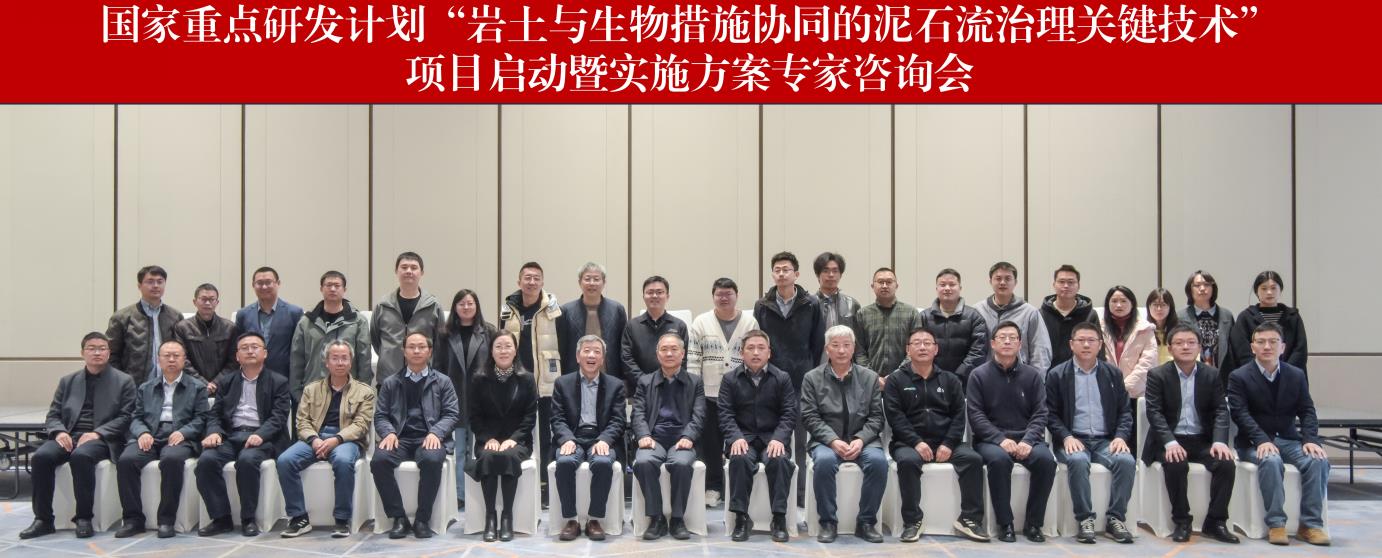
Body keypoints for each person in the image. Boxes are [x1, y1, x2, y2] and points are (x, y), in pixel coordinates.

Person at [21, 333, 136, 540]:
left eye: (102, 348)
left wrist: (97, 433)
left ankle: (84, 518)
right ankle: (43, 520)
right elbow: (53, 414)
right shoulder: (68, 381)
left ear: (109, 353)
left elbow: (126, 417)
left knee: (81, 456)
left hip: (102, 439)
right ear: (82, 352)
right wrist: (59, 431)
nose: (97, 352)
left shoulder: (124, 381)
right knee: (41, 457)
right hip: (69, 435)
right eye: (92, 348)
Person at [1227, 322, 1330, 546]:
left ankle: (1310, 525)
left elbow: (1307, 410)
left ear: (1282, 347)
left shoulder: (1296, 375)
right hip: (1252, 443)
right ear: (1252, 347)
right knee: (1271, 460)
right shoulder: (1239, 377)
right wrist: (1262, 440)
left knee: (1318, 460)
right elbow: (1240, 414)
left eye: (1273, 342)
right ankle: (1276, 524)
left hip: (1288, 439)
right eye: (1261, 342)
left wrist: (1311, 439)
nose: (1267, 346)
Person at [883, 327, 989, 543]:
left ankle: (970, 519)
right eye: (916, 343)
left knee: (973, 459)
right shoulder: (896, 380)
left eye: (927, 343)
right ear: (908, 350)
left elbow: (959, 416)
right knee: (907, 462)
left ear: (936, 349)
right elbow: (895, 417)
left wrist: (948, 443)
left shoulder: (950, 380)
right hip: (908, 443)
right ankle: (912, 521)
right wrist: (916, 442)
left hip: (946, 442)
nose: (922, 347)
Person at [1143, 325, 1239, 544]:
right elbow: (1154, 413)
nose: (1185, 347)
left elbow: (1220, 410)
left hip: (1201, 439)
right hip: (1170, 439)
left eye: (1191, 342)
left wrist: (1219, 441)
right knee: (1176, 463)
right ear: (1170, 348)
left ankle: (1215, 522)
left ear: (1199, 347)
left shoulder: (1211, 374)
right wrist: (1170, 442)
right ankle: (1182, 521)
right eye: (1179, 343)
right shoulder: (1158, 375)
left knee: (1226, 464)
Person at [1044, 322, 1136, 544]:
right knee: (1077, 461)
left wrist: (1120, 437)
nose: (1086, 345)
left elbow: (1125, 411)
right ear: (1071, 344)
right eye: (1081, 340)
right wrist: (1066, 436)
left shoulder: (1113, 374)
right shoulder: (1057, 375)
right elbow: (1050, 414)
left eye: (1091, 341)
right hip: (1073, 438)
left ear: (1100, 345)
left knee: (1126, 461)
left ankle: (1116, 518)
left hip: (1106, 440)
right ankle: (1085, 519)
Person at [967, 321, 1056, 543]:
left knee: (1046, 461)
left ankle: (1034, 524)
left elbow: (1040, 413)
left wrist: (1028, 440)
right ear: (992, 344)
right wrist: (1000, 439)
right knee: (999, 461)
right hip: (991, 441)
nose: (1007, 341)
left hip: (1027, 438)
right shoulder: (978, 375)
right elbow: (976, 415)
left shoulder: (1032, 375)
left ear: (1020, 344)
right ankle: (1005, 524)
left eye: (1012, 338)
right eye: (1002, 337)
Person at [196, 332, 292, 537]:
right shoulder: (227, 382)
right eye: (244, 348)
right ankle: (221, 518)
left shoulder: (279, 381)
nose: (250, 351)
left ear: (265, 353)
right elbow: (215, 414)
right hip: (231, 436)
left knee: (247, 461)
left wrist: (261, 434)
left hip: (263, 438)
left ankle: (248, 518)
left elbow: (279, 416)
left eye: (255, 347)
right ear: (237, 356)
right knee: (206, 461)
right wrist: (214, 432)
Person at [276, 340, 376, 538]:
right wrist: (314, 439)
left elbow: (361, 425)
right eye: (335, 358)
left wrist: (337, 439)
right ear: (326, 362)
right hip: (315, 437)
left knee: (343, 461)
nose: (340, 362)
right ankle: (299, 517)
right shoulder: (311, 389)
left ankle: (342, 519)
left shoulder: (365, 391)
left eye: (344, 358)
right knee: (285, 461)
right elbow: (302, 421)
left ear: (351, 362)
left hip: (346, 440)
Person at [800, 325, 886, 544]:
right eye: (835, 345)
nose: (841, 350)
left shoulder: (869, 377)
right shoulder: (812, 378)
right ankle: (828, 522)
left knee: (878, 462)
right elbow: (809, 416)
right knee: (825, 462)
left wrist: (861, 439)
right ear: (827, 349)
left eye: (846, 345)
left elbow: (877, 417)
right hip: (826, 441)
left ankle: (866, 522)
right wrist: (832, 440)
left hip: (864, 440)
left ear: (853, 348)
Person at [115, 340, 210, 539]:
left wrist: (184, 432)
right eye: (167, 355)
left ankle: (166, 520)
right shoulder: (146, 387)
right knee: (126, 460)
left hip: (180, 437)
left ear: (184, 359)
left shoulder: (197, 387)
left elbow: (202, 417)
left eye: (176, 355)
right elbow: (136, 417)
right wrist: (142, 432)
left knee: (172, 460)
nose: (171, 359)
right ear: (159, 360)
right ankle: (133, 520)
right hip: (151, 434)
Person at [371, 331, 461, 539]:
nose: (417, 351)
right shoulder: (391, 382)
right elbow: (381, 415)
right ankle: (399, 518)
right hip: (400, 438)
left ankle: (422, 519)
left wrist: (436, 432)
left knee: (431, 459)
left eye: (422, 347)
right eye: (411, 347)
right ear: (404, 351)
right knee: (379, 461)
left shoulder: (443, 382)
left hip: (429, 437)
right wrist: (388, 432)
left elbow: (451, 413)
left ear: (430, 351)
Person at [753, 251, 825, 504]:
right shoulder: (762, 305)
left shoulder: (811, 303)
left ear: (796, 274)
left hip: (802, 379)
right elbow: (760, 343)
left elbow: (817, 343)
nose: (781, 274)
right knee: (776, 437)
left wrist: (809, 370)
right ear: (772, 274)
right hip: (771, 380)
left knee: (802, 440)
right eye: (777, 270)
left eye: (786, 269)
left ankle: (801, 493)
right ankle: (777, 493)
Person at [687, 277, 758, 508]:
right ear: (713, 296)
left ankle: (736, 486)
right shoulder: (701, 322)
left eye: (729, 293)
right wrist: (695, 391)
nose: (724, 298)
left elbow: (755, 355)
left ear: (737, 296)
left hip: (741, 393)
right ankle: (714, 486)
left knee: (740, 440)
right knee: (711, 443)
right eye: (720, 294)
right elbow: (693, 359)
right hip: (709, 392)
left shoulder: (749, 322)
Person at [719, 330, 796, 543]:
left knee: (779, 460)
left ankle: (778, 519)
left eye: (761, 348)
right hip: (743, 437)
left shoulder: (782, 378)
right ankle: (741, 518)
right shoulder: (730, 379)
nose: (755, 352)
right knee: (739, 459)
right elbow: (725, 414)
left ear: (769, 353)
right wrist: (735, 437)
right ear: (741, 353)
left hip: (772, 438)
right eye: (750, 348)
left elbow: (789, 413)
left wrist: (779, 438)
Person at [630, 333, 706, 540]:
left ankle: (677, 519)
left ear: (683, 353)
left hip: (682, 439)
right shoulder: (645, 382)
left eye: (674, 349)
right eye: (664, 349)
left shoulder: (695, 382)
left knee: (681, 463)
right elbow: (638, 413)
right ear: (657, 354)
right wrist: (643, 435)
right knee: (643, 462)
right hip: (654, 438)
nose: (669, 353)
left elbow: (699, 415)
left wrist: (689, 436)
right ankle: (656, 518)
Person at [552, 335, 626, 542]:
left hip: (600, 438)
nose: (591, 355)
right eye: (586, 351)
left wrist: (605, 440)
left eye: (597, 352)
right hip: (573, 438)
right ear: (578, 356)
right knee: (564, 462)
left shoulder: (615, 385)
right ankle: (571, 520)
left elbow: (618, 420)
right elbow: (557, 418)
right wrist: (566, 439)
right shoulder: (562, 383)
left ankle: (594, 519)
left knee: (602, 463)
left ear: (602, 358)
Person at [498, 262, 562, 496]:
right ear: (519, 281)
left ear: (542, 282)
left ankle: (545, 485)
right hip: (517, 383)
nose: (532, 282)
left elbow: (563, 344)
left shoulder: (553, 310)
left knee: (546, 435)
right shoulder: (508, 309)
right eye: (527, 278)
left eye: (536, 278)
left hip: (546, 382)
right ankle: (522, 486)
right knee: (519, 433)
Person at [468, 330, 538, 542]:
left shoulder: (526, 379)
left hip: (518, 440)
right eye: (498, 346)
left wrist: (513, 439)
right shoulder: (479, 379)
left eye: (508, 346)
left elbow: (530, 416)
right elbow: (474, 416)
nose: (503, 351)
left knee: (508, 455)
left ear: (515, 350)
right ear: (491, 351)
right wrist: (486, 438)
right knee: (488, 456)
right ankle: (490, 517)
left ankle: (507, 516)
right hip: (487, 439)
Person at [435, 289, 498, 505]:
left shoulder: (489, 331)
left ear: (477, 306)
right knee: (460, 450)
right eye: (461, 303)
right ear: (455, 307)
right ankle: (461, 496)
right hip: (454, 399)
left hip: (482, 399)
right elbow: (438, 367)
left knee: (480, 447)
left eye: (470, 303)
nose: (466, 307)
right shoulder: (444, 334)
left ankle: (478, 496)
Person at [288, 271, 372, 399]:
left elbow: (364, 360)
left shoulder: (358, 321)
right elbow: (296, 360)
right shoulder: (306, 322)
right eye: (328, 285)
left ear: (344, 290)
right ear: (321, 289)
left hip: (348, 394)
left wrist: (361, 394)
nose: (332, 289)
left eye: (337, 285)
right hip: (313, 394)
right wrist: (298, 395)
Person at [372, 251, 446, 384]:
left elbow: (440, 343)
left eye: (414, 267)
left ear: (421, 273)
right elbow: (376, 340)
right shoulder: (382, 306)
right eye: (404, 267)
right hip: (389, 379)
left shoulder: (433, 306)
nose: (409, 271)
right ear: (396, 271)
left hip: (424, 379)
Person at [106, 265, 183, 385]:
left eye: (160, 282)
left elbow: (183, 352)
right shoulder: (122, 317)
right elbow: (111, 354)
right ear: (139, 286)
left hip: (169, 384)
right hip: (134, 385)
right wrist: (122, 382)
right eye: (150, 282)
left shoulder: (175, 316)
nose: (156, 286)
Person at [1225, 271, 1309, 378]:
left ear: (1280, 290)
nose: (1269, 292)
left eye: (1273, 288)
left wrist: (1284, 372)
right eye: (1264, 288)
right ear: (1257, 291)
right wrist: (1260, 373)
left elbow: (1300, 350)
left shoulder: (1293, 316)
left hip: (1290, 377)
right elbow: (1241, 351)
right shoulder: (1245, 317)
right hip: (1254, 378)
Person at [557, 262, 629, 382]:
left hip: (610, 376)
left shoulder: (617, 309)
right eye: (587, 279)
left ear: (604, 282)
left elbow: (623, 347)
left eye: (596, 279)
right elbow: (562, 348)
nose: (592, 283)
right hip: (575, 376)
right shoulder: (566, 311)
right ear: (580, 282)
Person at [973, 262, 1052, 371]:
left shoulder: (1029, 312)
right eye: (998, 278)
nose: (1002, 282)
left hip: (1021, 376)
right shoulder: (978, 310)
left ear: (1015, 282)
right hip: (985, 376)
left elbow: (1041, 350)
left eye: (1008, 279)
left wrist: (1035, 377)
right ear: (990, 281)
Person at [918, 268, 988, 385]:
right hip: (930, 380)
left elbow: (978, 351)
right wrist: (934, 374)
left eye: (952, 284)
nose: (947, 288)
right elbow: (918, 348)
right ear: (936, 289)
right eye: (942, 285)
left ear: (960, 288)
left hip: (964, 381)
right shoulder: (924, 317)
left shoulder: (974, 317)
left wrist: (958, 376)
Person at [234, 266, 304, 383]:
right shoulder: (243, 314)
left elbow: (299, 350)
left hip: (284, 379)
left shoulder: (294, 313)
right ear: (253, 285)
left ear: (278, 283)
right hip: (251, 378)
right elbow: (238, 347)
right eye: (259, 283)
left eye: (268, 282)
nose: (264, 287)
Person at [621, 275, 689, 385]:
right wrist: (645, 382)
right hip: (640, 388)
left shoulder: (679, 326)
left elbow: (683, 359)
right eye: (650, 292)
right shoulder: (632, 326)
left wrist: (669, 381)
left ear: (667, 296)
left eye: (659, 292)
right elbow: (627, 359)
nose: (654, 296)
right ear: (643, 296)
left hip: (671, 386)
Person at [854, 268, 921, 375]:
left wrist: (897, 374)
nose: (885, 286)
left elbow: (915, 348)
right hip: (870, 380)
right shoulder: (862, 314)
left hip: (904, 377)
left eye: (889, 282)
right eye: (880, 282)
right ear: (872, 286)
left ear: (896, 286)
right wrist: (872, 376)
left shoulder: (911, 313)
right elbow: (859, 351)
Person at [172, 283, 240, 382]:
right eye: (203, 299)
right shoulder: (182, 328)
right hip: (192, 385)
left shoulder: (229, 327)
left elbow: (234, 360)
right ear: (195, 302)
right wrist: (202, 383)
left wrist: (216, 383)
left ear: (217, 302)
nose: (207, 303)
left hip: (223, 385)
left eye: (212, 299)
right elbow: (182, 359)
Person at [1039, 265, 1101, 367]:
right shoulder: (1041, 315)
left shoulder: (1090, 314)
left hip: (1081, 372)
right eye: (1061, 282)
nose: (1066, 286)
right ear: (1054, 285)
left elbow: (1097, 348)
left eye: (1071, 282)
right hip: (1048, 372)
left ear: (1078, 286)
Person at [1177, 270, 1234, 369]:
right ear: (1190, 289)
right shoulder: (1181, 317)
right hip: (1191, 372)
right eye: (1197, 285)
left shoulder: (1226, 315)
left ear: (1213, 288)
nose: (1202, 288)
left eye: (1207, 284)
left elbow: (1233, 349)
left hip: (1223, 373)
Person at [813, 252, 862, 362]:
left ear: (841, 275)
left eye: (835, 271)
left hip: (846, 362)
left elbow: (859, 342)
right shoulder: (809, 304)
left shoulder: (852, 304)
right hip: (817, 363)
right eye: (825, 271)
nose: (831, 275)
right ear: (817, 275)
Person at [1146, 288, 1180, 365]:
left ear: (1170, 307)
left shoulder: (1180, 331)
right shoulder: (1143, 330)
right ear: (1149, 307)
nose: (1159, 309)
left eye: (1163, 305)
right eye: (1155, 305)